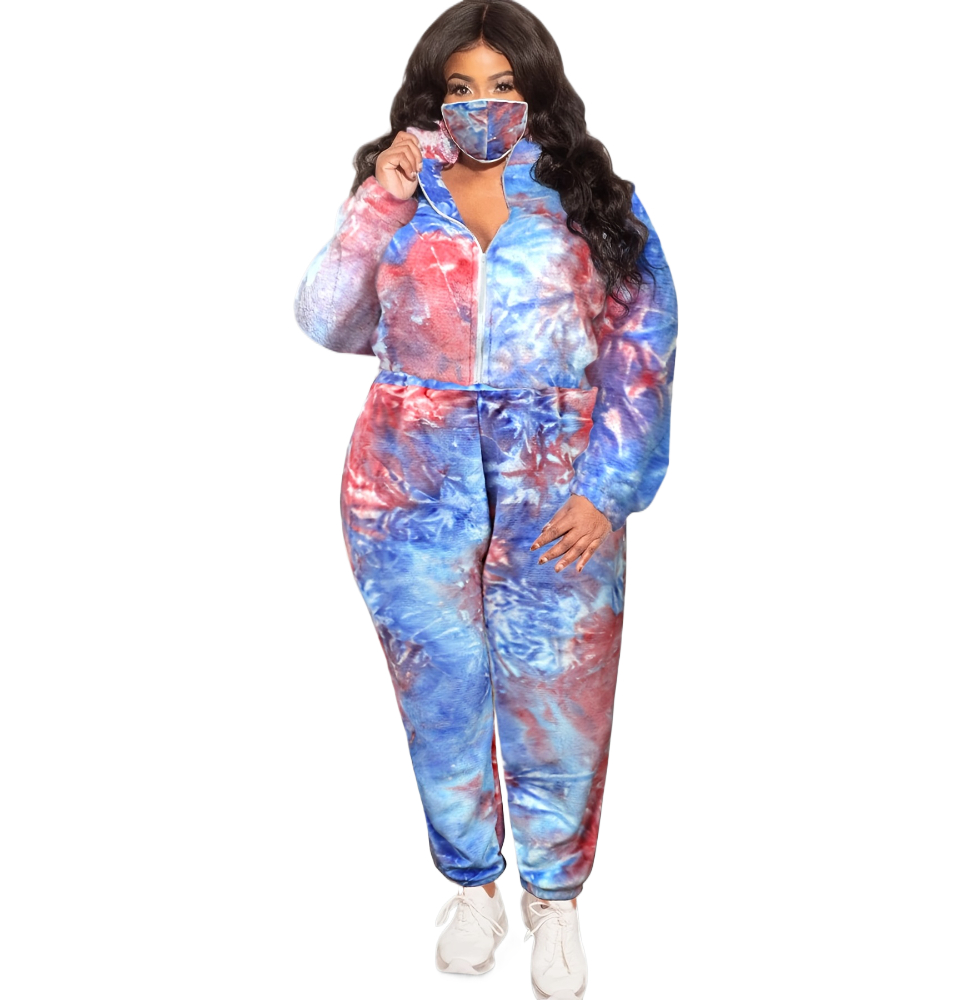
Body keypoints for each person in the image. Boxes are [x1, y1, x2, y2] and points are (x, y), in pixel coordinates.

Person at [293, 2, 678, 996]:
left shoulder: (592, 199)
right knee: (441, 695)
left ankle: (556, 899)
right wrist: (377, 201)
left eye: (503, 85)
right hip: (405, 490)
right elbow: (327, 320)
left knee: (562, 697)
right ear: (431, 99)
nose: (482, 105)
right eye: (460, 88)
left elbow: (643, 343)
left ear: (536, 91)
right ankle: (473, 886)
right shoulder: (401, 194)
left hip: (558, 486)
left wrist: (608, 489)